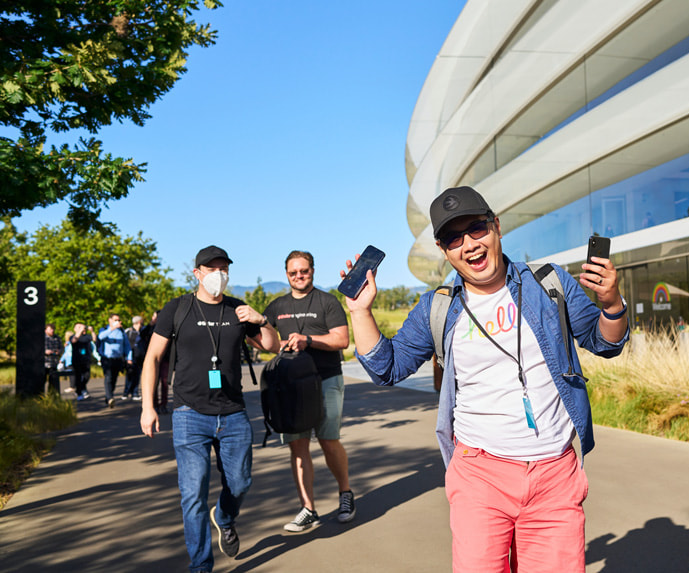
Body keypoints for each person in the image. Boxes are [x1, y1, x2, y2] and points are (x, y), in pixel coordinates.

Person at [344, 186, 629, 572]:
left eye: (477, 228)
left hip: (553, 474)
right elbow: (386, 368)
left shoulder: (548, 285)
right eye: (453, 238)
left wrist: (611, 305)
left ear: (496, 227)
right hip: (479, 474)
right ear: (444, 250)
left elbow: (604, 342)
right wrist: (360, 312)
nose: (469, 244)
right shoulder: (438, 307)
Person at [139, 246, 279, 573]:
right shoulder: (177, 308)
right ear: (197, 272)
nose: (219, 274)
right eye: (212, 268)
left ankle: (226, 516)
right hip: (189, 413)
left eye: (224, 268)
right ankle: (201, 566)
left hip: (233, 413)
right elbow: (152, 358)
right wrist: (148, 407)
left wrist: (262, 320)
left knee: (241, 483)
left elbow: (271, 346)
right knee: (192, 496)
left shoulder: (239, 309)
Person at [263, 250, 354, 533]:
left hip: (326, 379)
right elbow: (261, 337)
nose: (299, 276)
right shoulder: (277, 305)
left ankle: (345, 493)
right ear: (286, 274)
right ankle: (308, 508)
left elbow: (342, 340)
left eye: (304, 271)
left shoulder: (327, 302)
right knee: (297, 445)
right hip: (290, 386)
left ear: (312, 271)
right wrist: (276, 346)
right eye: (293, 273)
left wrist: (309, 340)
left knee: (328, 440)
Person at [98, 314, 132, 408]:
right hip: (107, 358)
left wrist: (129, 358)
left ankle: (108, 395)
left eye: (118, 319)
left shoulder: (121, 331)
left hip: (118, 359)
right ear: (110, 320)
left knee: (114, 378)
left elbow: (127, 346)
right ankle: (110, 398)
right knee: (108, 377)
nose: (117, 321)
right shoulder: (104, 329)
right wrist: (112, 328)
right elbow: (100, 337)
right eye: (115, 320)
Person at [69, 323, 94, 401]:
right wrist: (79, 330)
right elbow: (74, 341)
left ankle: (81, 388)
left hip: (86, 360)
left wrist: (92, 331)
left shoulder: (86, 337)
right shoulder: (73, 336)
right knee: (78, 377)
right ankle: (79, 393)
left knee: (87, 376)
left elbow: (94, 339)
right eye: (78, 327)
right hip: (76, 360)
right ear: (75, 329)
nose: (82, 328)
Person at [123, 315, 144, 401]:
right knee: (129, 375)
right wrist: (128, 358)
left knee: (137, 376)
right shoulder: (129, 331)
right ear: (139, 322)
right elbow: (126, 344)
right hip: (130, 357)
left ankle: (135, 393)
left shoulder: (142, 331)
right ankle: (126, 392)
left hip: (140, 357)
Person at [43, 323, 62, 395]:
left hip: (53, 363)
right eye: (50, 329)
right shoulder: (42, 338)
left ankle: (51, 397)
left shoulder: (57, 338)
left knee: (53, 382)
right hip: (44, 363)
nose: (52, 331)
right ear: (45, 330)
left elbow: (61, 348)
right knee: (42, 381)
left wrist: (59, 351)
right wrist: (45, 351)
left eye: (53, 329)